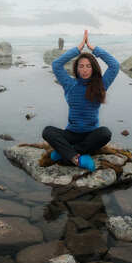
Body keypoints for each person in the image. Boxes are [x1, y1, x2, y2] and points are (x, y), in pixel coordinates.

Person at [42, 30, 119, 172]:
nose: (85, 70)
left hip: (91, 135)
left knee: (105, 133)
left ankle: (64, 153)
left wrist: (93, 49)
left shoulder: (100, 85)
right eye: (81, 66)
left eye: (88, 66)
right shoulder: (69, 84)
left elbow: (114, 66)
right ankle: (76, 158)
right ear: (76, 69)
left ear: (94, 68)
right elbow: (56, 65)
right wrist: (78, 49)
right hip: (71, 134)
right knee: (47, 131)